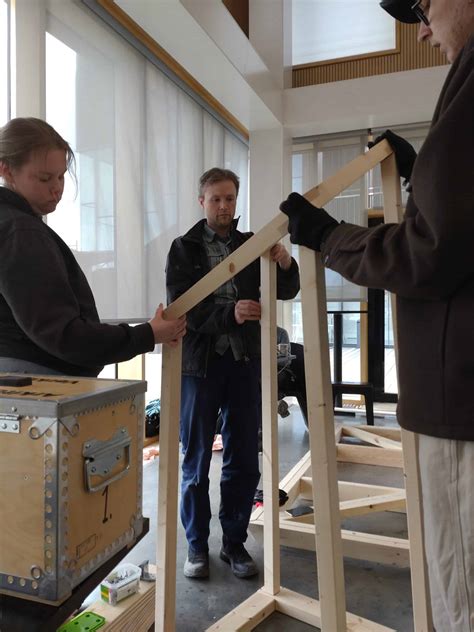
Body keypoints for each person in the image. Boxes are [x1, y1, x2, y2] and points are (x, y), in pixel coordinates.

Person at [280, 2, 474, 629]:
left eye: (424, 5)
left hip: (461, 404)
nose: (422, 28)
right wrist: (421, 173)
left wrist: (328, 236)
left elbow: (428, 253)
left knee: (461, 592)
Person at [166, 167, 300, 579]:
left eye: (229, 199)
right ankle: (196, 546)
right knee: (196, 459)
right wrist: (231, 314)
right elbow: (183, 308)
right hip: (199, 366)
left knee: (243, 457)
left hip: (244, 363)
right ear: (201, 201)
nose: (223, 206)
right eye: (215, 199)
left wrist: (284, 262)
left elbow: (287, 289)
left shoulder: (251, 245)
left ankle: (234, 543)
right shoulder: (184, 249)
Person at [0, 117, 186, 377]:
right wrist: (148, 334)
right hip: (39, 378)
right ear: (7, 171)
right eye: (44, 178)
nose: (57, 189)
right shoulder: (21, 232)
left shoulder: (14, 226)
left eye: (61, 177)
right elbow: (63, 334)